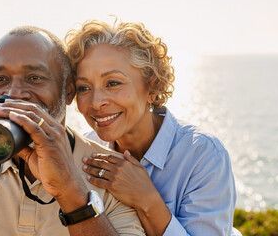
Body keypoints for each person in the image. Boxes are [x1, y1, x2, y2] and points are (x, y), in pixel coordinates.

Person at [0, 26, 145, 236]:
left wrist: (70, 192)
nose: (14, 93)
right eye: (1, 79)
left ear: (69, 91)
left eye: (34, 78)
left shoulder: (112, 176)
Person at [65, 19, 241, 236]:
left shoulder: (203, 155)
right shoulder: (82, 152)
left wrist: (146, 199)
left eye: (113, 83)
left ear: (153, 86)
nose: (95, 102)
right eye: (84, 88)